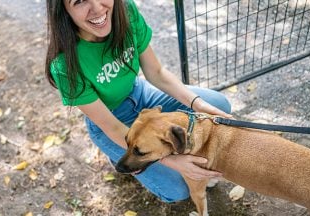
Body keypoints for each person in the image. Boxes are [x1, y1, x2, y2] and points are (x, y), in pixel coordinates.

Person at [45, 0, 232, 203]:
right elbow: (112, 126)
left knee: (218, 105)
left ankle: (139, 153)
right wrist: (173, 161)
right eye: (80, 1)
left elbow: (157, 73)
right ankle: (117, 153)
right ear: (63, 10)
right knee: (178, 190)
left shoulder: (125, 10)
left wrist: (198, 104)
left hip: (143, 95)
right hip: (112, 120)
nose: (98, 8)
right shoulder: (64, 65)